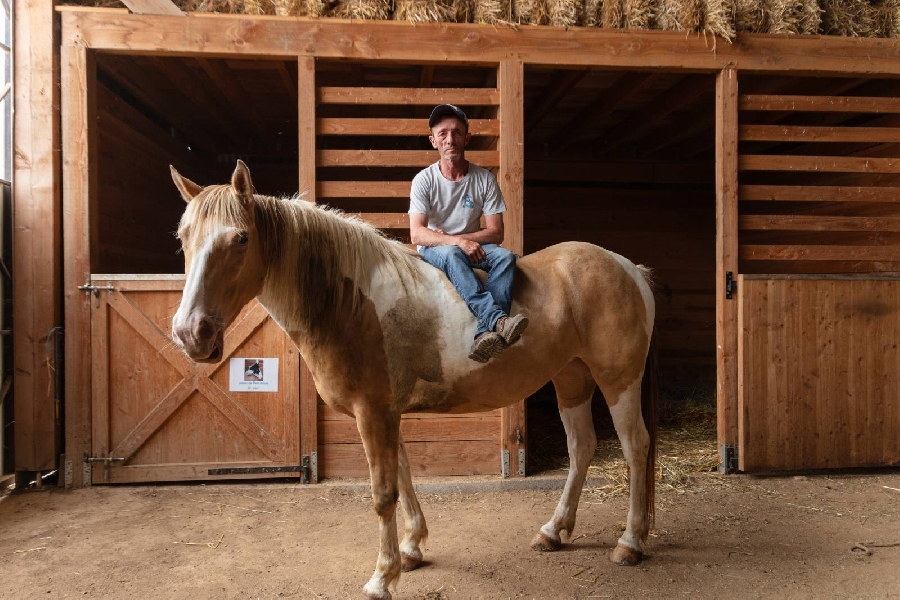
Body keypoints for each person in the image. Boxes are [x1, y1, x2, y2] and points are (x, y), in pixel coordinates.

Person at [409, 104, 529, 363]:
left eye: (456, 132)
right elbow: (417, 235)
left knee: (506, 258)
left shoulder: (484, 178)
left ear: (467, 138)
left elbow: (496, 233)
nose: (449, 139)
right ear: (433, 141)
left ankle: (484, 334)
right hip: (438, 247)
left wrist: (465, 241)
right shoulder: (424, 180)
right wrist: (456, 241)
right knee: (452, 253)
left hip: (472, 244)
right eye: (442, 134)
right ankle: (498, 321)